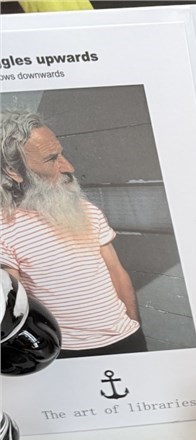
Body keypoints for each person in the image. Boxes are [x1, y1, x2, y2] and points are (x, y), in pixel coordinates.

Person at [0, 109, 146, 358]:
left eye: (62, 153)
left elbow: (117, 272)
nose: (69, 166)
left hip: (126, 339)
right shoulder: (4, 228)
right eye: (51, 159)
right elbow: (14, 306)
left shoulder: (86, 210)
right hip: (64, 352)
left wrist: (134, 327)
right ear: (13, 171)